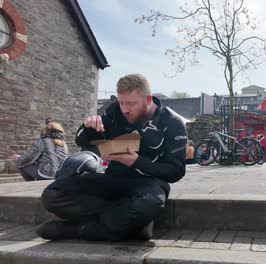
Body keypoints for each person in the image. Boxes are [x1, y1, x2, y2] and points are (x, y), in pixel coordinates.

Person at [36, 74, 187, 242]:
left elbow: (176, 171)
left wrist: (136, 161)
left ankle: (78, 229)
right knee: (52, 194)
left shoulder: (172, 122)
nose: (125, 109)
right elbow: (82, 141)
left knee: (150, 204)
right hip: (113, 178)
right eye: (121, 102)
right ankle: (130, 224)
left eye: (131, 103)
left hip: (149, 182)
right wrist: (87, 127)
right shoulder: (114, 111)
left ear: (148, 99)